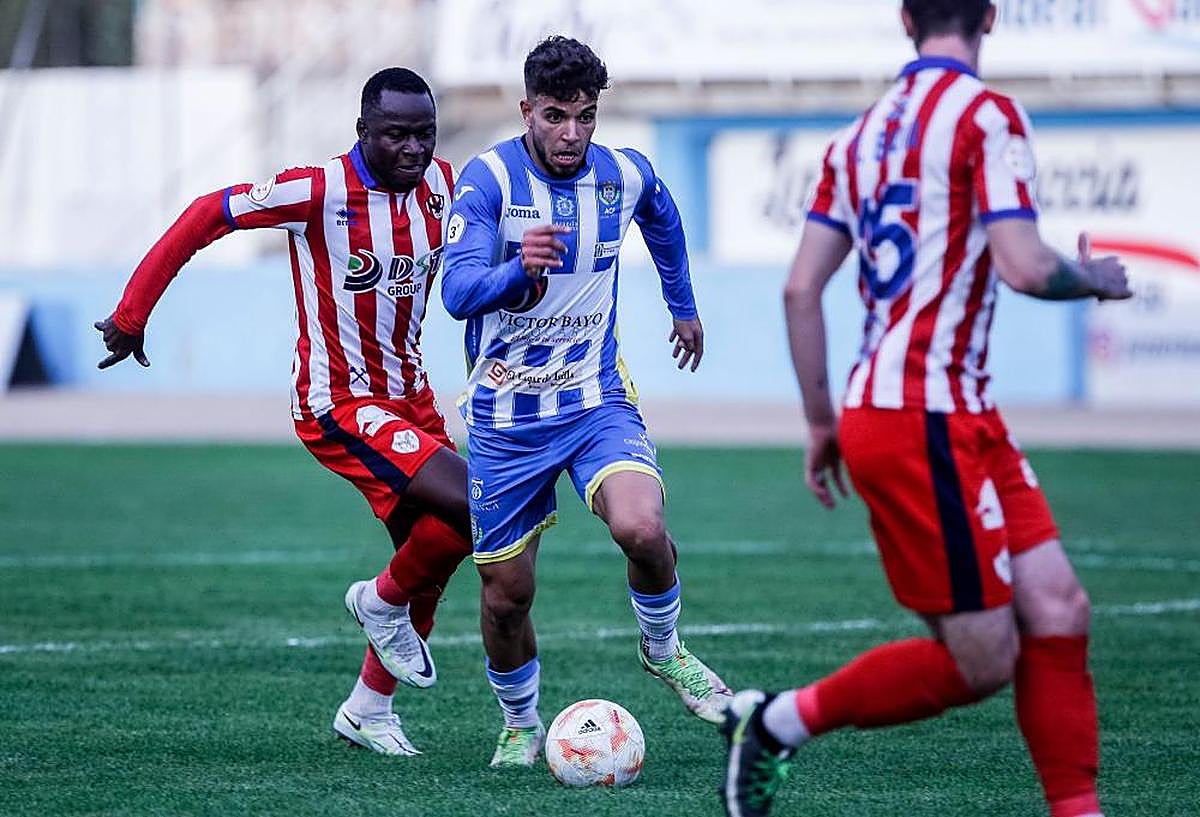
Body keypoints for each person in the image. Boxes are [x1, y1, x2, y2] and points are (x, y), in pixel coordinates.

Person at [720, 2, 1132, 815]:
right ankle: (774, 723)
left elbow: (802, 287)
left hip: (947, 411)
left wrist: (820, 420)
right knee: (982, 660)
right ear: (990, 17)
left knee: (1059, 605)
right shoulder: (987, 115)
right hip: (924, 417)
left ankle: (1078, 808)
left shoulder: (858, 138)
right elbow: (1020, 264)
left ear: (906, 20)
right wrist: (1094, 279)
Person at [94, 67, 474, 757]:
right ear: (363, 132)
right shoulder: (319, 190)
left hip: (413, 398)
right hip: (339, 402)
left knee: (443, 545)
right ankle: (380, 601)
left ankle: (368, 708)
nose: (414, 149)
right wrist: (132, 312)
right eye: (397, 135)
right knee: (476, 506)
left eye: (425, 133)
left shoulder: (446, 186)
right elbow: (208, 213)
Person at [440, 36, 732, 767]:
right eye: (555, 115)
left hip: (594, 399)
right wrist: (514, 271)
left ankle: (664, 651)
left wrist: (682, 304)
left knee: (642, 525)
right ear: (525, 109)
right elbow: (455, 292)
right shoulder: (488, 182)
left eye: (586, 116)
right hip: (506, 419)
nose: (572, 133)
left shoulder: (622, 175)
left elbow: (662, 217)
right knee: (507, 595)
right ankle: (519, 720)